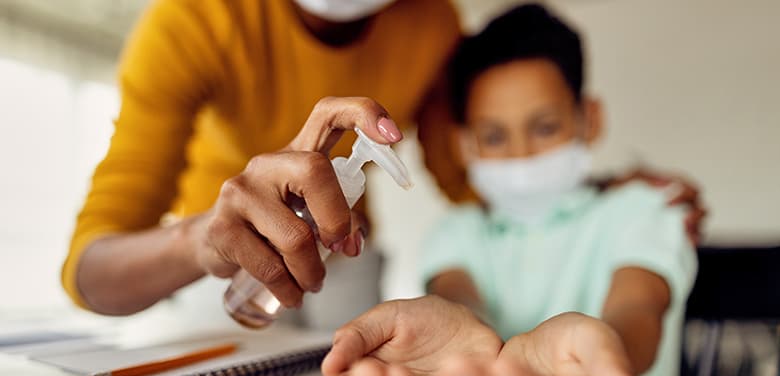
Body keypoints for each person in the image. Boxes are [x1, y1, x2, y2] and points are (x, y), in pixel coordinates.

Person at [62, 0, 703, 319]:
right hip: (214, 257)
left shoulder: (431, 24)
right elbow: (91, 270)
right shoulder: (193, 22)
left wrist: (601, 195)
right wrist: (203, 238)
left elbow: (479, 173)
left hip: (344, 252)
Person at [319, 4, 697, 376]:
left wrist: (598, 360)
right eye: (495, 136)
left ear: (589, 119)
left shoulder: (642, 210)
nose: (520, 155)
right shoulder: (456, 233)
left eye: (545, 127)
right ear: (463, 145)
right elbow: (461, 306)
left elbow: (637, 309)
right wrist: (473, 355)